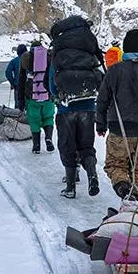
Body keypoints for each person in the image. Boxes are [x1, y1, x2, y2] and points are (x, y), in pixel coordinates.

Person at [96, 29, 138, 200]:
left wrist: (101, 124)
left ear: (125, 49)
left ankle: (125, 192)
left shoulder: (113, 71)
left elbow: (102, 100)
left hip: (118, 129)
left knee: (115, 166)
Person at [50, 60, 100, 199]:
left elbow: (52, 86)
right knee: (86, 147)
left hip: (66, 109)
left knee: (68, 148)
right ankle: (92, 175)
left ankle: (70, 188)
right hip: (89, 108)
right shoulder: (87, 57)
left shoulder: (59, 57)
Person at [21, 39, 55, 154]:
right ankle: (48, 138)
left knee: (34, 120)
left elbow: (21, 80)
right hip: (48, 95)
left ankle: (36, 146)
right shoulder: (49, 56)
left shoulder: (27, 58)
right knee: (48, 118)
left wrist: (21, 100)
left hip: (32, 97)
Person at [4, 44, 27, 110]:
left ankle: (18, 117)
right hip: (29, 84)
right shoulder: (30, 60)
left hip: (18, 85)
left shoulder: (14, 61)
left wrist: (12, 82)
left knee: (18, 103)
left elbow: (8, 72)